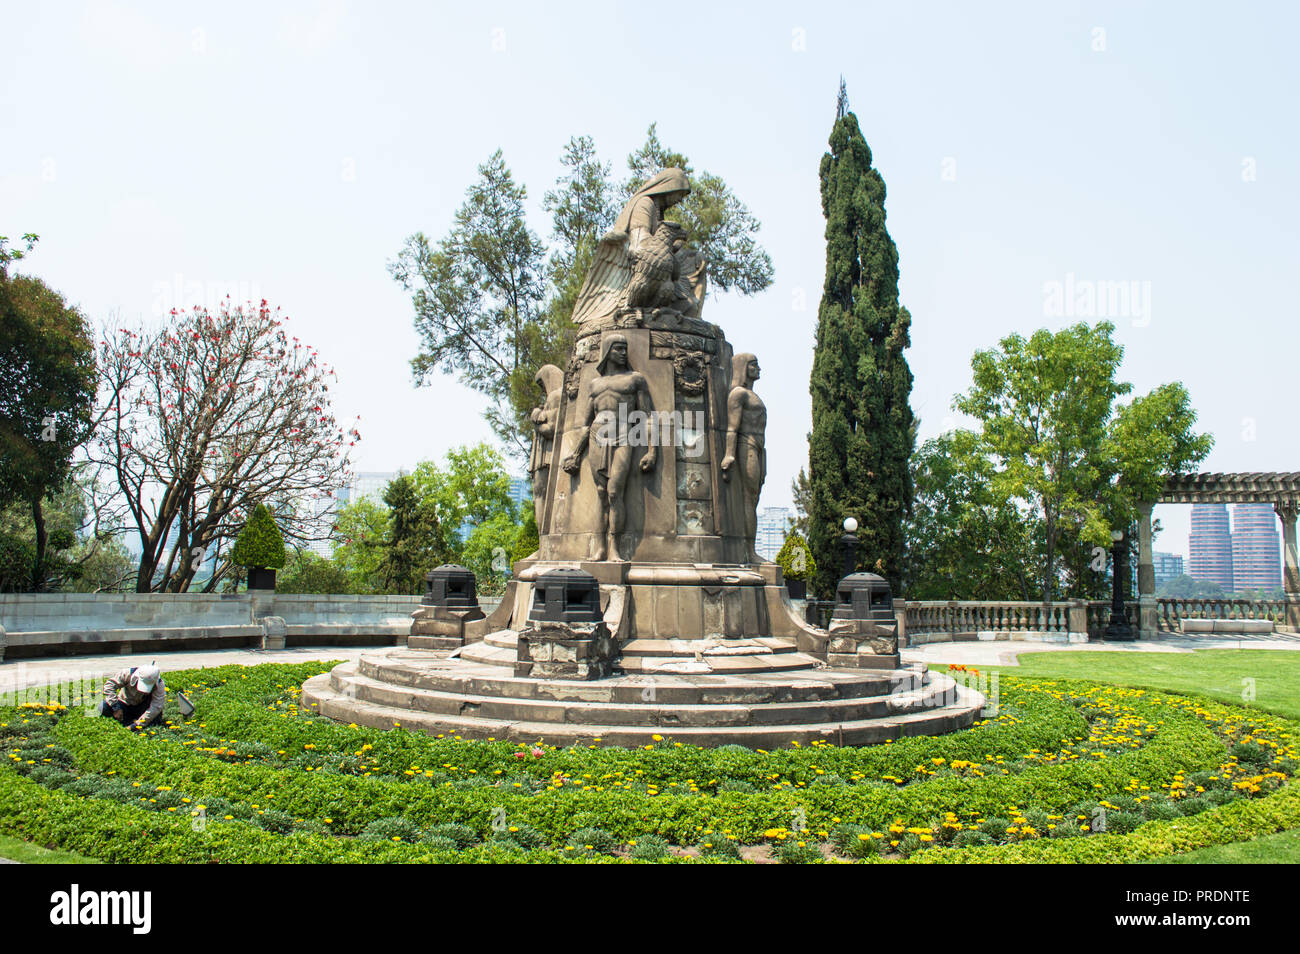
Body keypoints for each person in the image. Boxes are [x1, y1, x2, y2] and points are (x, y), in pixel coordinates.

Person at [98, 664, 165, 730]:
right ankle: (126, 720)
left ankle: (132, 723)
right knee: (103, 706)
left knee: (156, 716)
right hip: (124, 704)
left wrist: (135, 725)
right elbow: (109, 686)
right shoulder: (127, 673)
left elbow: (156, 706)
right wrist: (115, 707)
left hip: (142, 708)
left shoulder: (159, 685)